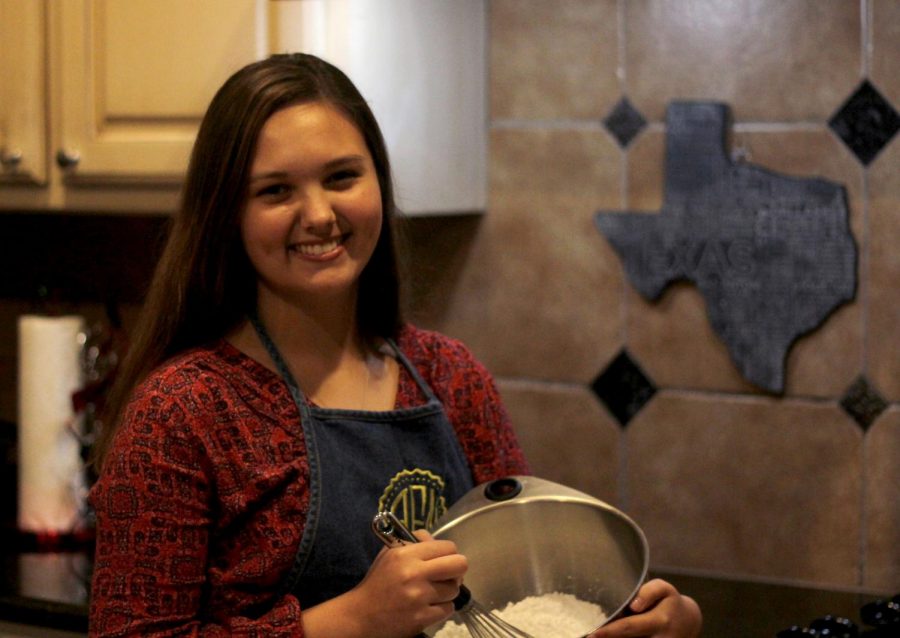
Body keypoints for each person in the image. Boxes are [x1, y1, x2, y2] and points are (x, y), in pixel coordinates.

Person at [88, 53, 701, 638]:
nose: (320, 214)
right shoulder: (182, 410)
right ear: (227, 213)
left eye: (341, 177)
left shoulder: (451, 376)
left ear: (378, 181)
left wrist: (633, 622)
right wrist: (351, 621)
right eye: (276, 191)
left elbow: (526, 598)